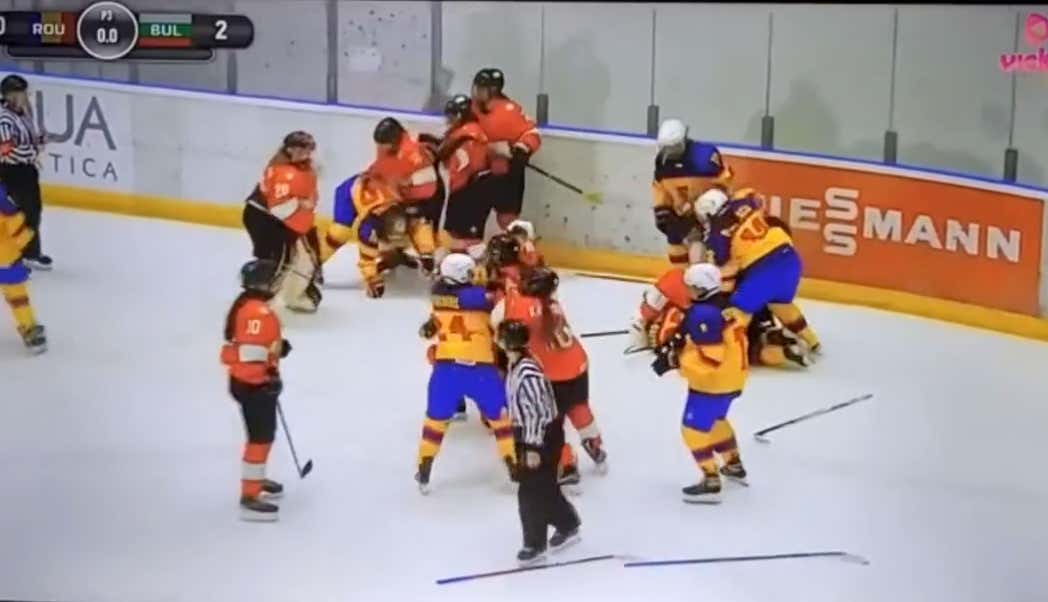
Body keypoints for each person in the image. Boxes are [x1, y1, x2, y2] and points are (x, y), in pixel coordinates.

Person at [492, 267, 608, 487]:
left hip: (549, 374)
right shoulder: (552, 304)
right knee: (578, 407)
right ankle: (595, 444)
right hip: (577, 364)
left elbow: (501, 329)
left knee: (551, 423)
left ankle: (567, 463)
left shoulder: (519, 306)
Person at [415, 253, 516, 493]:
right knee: (501, 419)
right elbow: (497, 303)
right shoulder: (482, 299)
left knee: (435, 421)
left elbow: (430, 328)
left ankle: (424, 464)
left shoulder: (437, 297)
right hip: (480, 370)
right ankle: (513, 462)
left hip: (446, 371)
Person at [650, 263, 749, 504]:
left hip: (713, 384)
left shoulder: (703, 315)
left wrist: (675, 361)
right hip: (733, 377)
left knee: (692, 430)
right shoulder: (724, 306)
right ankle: (733, 464)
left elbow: (710, 358)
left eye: (690, 287)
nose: (687, 290)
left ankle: (711, 479)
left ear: (701, 289)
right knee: (716, 421)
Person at [694, 186, 821, 354]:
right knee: (781, 305)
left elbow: (727, 268)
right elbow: (754, 196)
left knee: (737, 312)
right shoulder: (744, 203)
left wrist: (722, 297)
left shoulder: (715, 235)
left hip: (763, 271)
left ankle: (733, 353)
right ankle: (813, 342)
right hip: (790, 258)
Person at [499, 319, 582, 565]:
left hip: (540, 436)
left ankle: (534, 544)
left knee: (530, 492)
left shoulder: (527, 372)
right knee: (542, 486)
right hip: (529, 434)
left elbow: (538, 412)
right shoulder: (516, 364)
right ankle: (568, 523)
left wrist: (533, 447)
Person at [220, 259, 292, 521]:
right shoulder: (258, 313)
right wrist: (267, 379)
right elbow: (251, 353)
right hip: (253, 385)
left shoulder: (249, 306)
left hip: (248, 383)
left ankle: (256, 479)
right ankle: (250, 495)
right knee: (260, 438)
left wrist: (278, 350)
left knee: (263, 435)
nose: (277, 283)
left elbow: (258, 346)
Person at [243, 130, 322, 313]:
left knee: (296, 259)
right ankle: (260, 297)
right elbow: (279, 208)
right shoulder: (284, 172)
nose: (306, 154)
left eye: (309, 149)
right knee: (278, 259)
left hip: (274, 218)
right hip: (264, 219)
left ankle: (289, 294)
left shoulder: (297, 167)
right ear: (289, 149)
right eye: (301, 149)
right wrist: (301, 203)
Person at [322, 172, 435, 298]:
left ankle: (395, 256)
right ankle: (315, 261)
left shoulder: (410, 211)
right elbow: (367, 258)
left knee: (401, 237)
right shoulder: (370, 227)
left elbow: (421, 227)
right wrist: (373, 280)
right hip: (350, 191)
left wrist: (427, 253)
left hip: (383, 192)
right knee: (339, 232)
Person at [651, 118, 733, 266]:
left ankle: (710, 268)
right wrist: (679, 224)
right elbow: (661, 198)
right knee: (676, 246)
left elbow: (725, 186)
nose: (670, 152)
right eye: (667, 148)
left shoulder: (705, 157)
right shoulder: (661, 164)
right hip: (683, 215)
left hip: (709, 213)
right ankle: (687, 274)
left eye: (674, 147)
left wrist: (712, 214)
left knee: (717, 248)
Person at [470, 68, 541, 231]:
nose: (476, 91)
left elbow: (532, 133)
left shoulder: (510, 110)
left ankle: (520, 244)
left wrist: (523, 148)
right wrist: (488, 148)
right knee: (471, 217)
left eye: (481, 87)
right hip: (478, 172)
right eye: (476, 86)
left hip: (506, 174)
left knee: (507, 219)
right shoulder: (470, 109)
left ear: (493, 90)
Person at [367, 117, 444, 264]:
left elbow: (429, 181)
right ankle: (393, 254)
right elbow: (380, 168)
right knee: (381, 217)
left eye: (385, 144)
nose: (382, 148)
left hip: (422, 197)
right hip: (401, 196)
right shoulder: (387, 149)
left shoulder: (414, 151)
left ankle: (426, 255)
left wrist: (406, 183)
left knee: (419, 223)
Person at [0, 74, 49, 271]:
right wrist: (33, 151)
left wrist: (39, 141)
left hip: (26, 170)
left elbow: (26, 140)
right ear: (12, 95)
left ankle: (29, 252)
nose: (26, 96)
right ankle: (25, 254)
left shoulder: (22, 114)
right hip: (13, 171)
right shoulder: (4, 119)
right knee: (25, 211)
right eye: (22, 93)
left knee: (32, 210)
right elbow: (7, 150)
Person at [433, 95, 492, 255]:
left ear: (460, 116)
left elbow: (467, 168)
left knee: (467, 237)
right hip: (468, 189)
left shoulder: (469, 138)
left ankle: (465, 264)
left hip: (470, 191)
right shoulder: (464, 133)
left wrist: (456, 192)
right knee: (456, 233)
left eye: (452, 116)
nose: (449, 120)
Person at [0, 181, 45, 353]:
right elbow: (18, 231)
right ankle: (29, 328)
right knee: (18, 297)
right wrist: (28, 234)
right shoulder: (5, 204)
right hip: (6, 260)